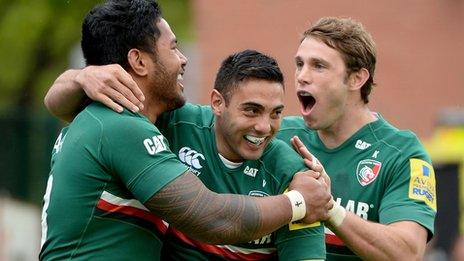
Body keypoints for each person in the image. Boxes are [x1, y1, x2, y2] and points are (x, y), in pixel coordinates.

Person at [39, 1, 331, 260]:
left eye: (276, 113)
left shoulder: (109, 116)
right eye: (173, 46)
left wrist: (78, 78)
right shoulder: (121, 125)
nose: (183, 58)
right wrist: (299, 201)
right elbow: (211, 217)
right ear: (139, 61)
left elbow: (55, 103)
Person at [277, 17, 437, 260]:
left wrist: (329, 209)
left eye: (318, 66)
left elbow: (407, 252)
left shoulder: (402, 154)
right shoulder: (279, 137)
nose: (302, 76)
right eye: (300, 64)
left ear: (356, 79)